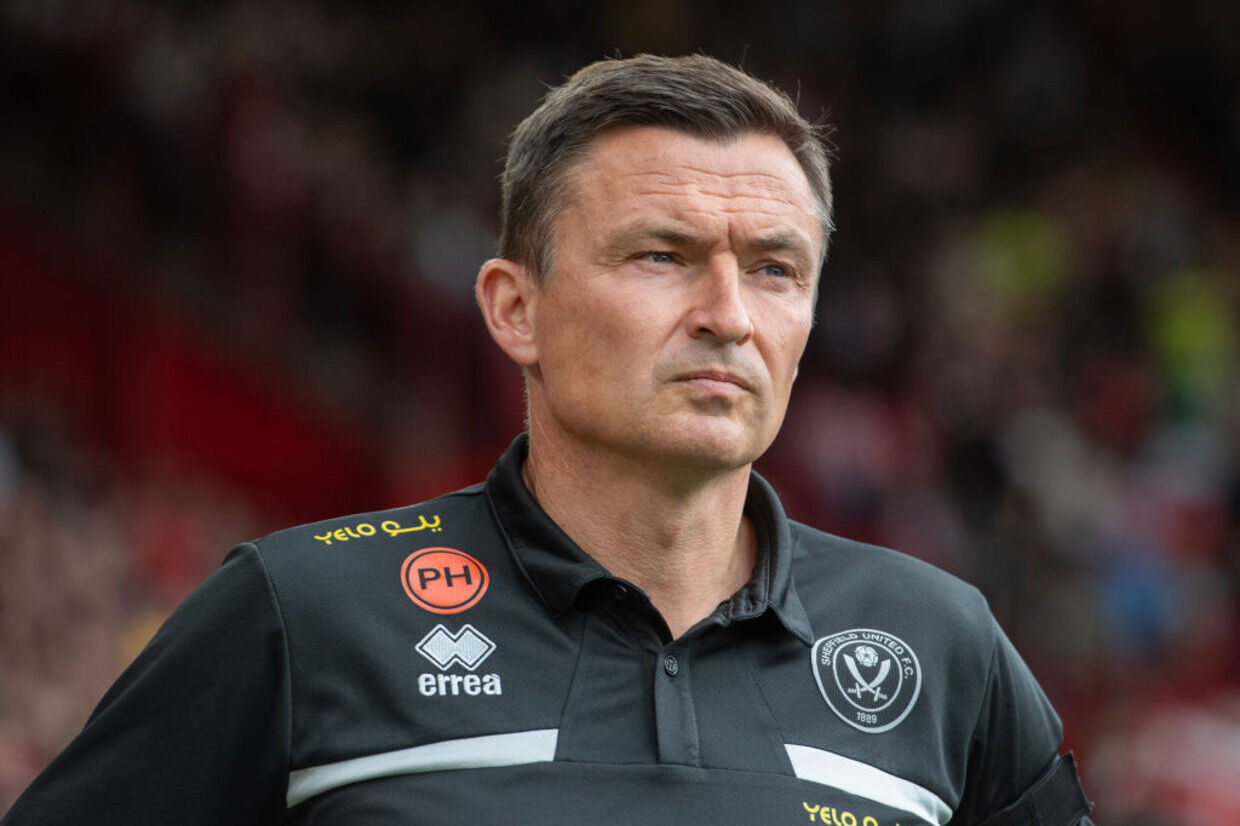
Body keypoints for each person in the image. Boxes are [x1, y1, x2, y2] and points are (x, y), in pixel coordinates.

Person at [1, 54, 1093, 825]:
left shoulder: (939, 644)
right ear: (514, 309)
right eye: (662, 256)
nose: (729, 315)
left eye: (774, 269)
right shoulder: (301, 615)